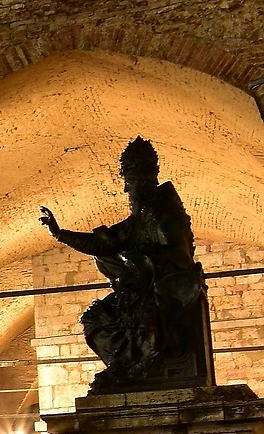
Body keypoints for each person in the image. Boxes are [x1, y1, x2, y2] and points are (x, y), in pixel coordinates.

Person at [40, 138, 212, 394]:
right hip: (140, 286)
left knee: (144, 320)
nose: (126, 191)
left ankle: (141, 364)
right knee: (94, 319)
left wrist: (139, 258)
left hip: (165, 285)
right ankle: (125, 365)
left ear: (143, 182)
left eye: (128, 184)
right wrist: (60, 233)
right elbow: (104, 243)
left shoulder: (164, 212)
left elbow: (177, 254)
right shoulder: (140, 218)